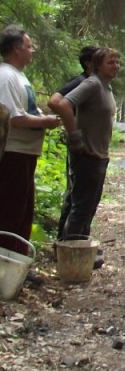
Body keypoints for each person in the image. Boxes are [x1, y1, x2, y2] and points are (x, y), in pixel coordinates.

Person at [47, 47, 121, 257]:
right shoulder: (92, 84)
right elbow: (62, 104)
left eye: (117, 62)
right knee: (80, 208)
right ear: (97, 65)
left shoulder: (105, 87)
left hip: (99, 156)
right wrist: (74, 135)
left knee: (88, 207)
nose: (115, 65)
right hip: (87, 155)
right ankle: (70, 256)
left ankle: (81, 250)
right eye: (110, 62)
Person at [0, 25, 62, 256]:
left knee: (23, 211)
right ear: (16, 49)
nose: (32, 50)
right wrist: (45, 121)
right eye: (29, 46)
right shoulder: (6, 77)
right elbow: (14, 117)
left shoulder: (19, 76)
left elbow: (24, 110)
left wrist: (41, 116)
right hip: (12, 153)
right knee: (10, 213)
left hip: (25, 153)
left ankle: (18, 262)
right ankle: (5, 268)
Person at [51, 45, 99, 240]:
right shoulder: (80, 82)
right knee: (75, 199)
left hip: (89, 148)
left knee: (80, 199)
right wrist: (73, 132)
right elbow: (55, 101)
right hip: (81, 149)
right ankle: (66, 245)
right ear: (88, 62)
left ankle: (77, 243)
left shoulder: (94, 82)